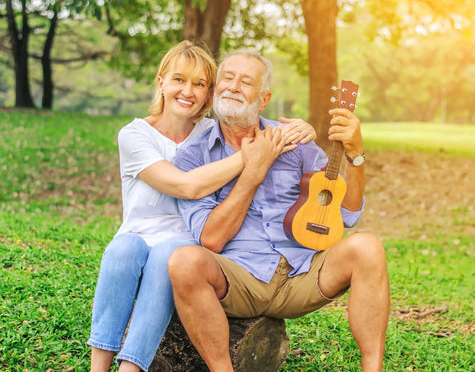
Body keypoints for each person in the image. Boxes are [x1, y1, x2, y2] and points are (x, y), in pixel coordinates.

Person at [87, 40, 316, 372]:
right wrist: (251, 159)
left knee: (168, 255)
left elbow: (258, 125)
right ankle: (98, 365)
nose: (187, 91)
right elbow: (186, 185)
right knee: (122, 250)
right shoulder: (134, 135)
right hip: (138, 234)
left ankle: (130, 368)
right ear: (161, 82)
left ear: (209, 94)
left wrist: (304, 129)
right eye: (179, 79)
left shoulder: (211, 129)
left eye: (200, 84)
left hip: (185, 239)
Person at [169, 49, 390, 372]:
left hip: (302, 274)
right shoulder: (193, 155)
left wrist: (356, 154)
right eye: (227, 78)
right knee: (184, 261)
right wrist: (252, 173)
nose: (232, 87)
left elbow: (347, 213)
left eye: (246, 82)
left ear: (263, 99)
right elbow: (211, 240)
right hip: (239, 278)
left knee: (367, 246)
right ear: (216, 88)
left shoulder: (294, 140)